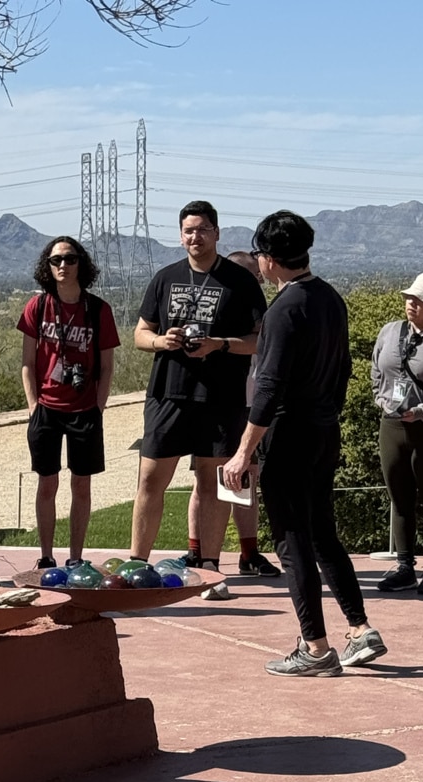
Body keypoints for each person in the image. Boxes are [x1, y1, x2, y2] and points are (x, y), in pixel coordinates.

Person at [223, 210, 386, 675]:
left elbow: (269, 390)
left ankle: (315, 648)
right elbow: (341, 372)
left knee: (292, 543)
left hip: (289, 437)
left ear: (269, 259)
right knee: (323, 535)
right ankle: (359, 629)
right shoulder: (331, 298)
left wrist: (243, 452)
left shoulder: (282, 310)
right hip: (323, 431)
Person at [130, 201, 267, 575]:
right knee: (150, 479)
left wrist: (218, 343)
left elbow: (258, 340)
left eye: (203, 229)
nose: (196, 236)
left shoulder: (240, 282)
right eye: (189, 230)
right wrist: (163, 342)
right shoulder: (164, 277)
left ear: (217, 233)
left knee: (213, 481)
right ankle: (137, 563)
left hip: (220, 397)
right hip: (168, 394)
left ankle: (209, 566)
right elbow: (140, 333)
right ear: (180, 235)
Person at [17, 237, 119, 569]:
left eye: (70, 259)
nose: (63, 265)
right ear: (47, 266)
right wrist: (33, 406)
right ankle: (46, 555)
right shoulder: (38, 307)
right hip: (46, 409)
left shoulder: (98, 309)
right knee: (47, 483)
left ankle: (76, 557)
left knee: (82, 485)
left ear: (81, 264)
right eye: (56, 260)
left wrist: (99, 406)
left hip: (84, 410)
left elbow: (106, 366)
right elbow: (27, 364)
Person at [186, 250, 280, 600]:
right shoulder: (217, 308)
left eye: (257, 276)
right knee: (206, 480)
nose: (256, 281)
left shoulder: (260, 311)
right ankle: (198, 553)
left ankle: (249, 552)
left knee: (244, 479)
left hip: (251, 405)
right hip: (218, 403)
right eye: (250, 275)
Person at [369, 272, 423, 594]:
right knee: (400, 496)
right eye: (408, 297)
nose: (411, 303)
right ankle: (405, 565)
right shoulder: (390, 331)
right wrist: (381, 399)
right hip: (392, 426)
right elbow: (376, 369)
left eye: (419, 299)